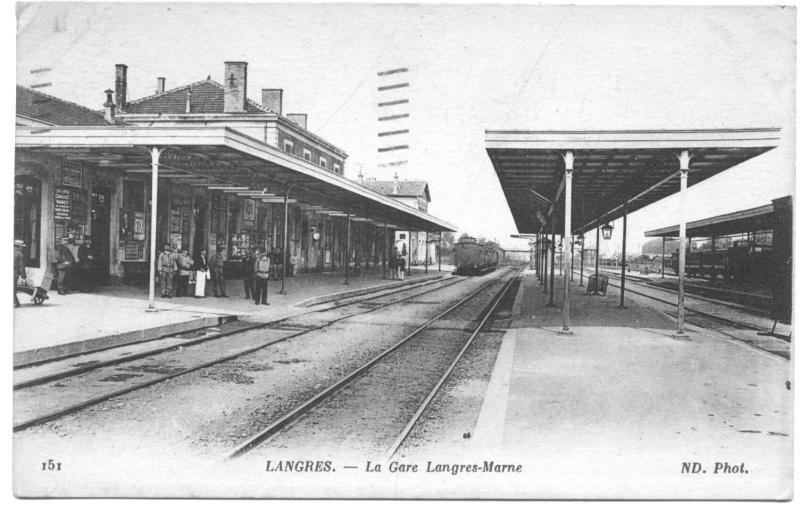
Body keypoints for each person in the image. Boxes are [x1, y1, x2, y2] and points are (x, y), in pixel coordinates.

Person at [14, 240, 26, 307]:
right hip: (14, 273)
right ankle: (14, 302)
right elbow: (21, 267)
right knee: (13, 288)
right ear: (19, 247)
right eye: (22, 247)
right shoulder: (20, 254)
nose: (22, 248)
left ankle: (15, 301)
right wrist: (23, 276)